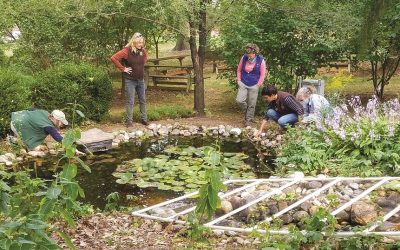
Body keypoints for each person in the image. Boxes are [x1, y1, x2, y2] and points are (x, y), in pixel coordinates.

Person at [111, 32, 149, 127]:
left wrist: (139, 66)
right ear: (134, 42)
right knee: (130, 101)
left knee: (143, 100)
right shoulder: (126, 51)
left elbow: (145, 58)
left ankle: (144, 119)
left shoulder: (142, 51)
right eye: (139, 43)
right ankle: (129, 122)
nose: (141, 45)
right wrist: (123, 68)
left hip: (140, 80)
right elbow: (114, 58)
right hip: (130, 80)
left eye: (142, 43)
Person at [236, 43, 267, 127]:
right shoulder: (244, 58)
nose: (249, 55)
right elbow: (239, 70)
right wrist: (239, 80)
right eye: (247, 53)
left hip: (254, 84)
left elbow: (262, 74)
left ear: (255, 53)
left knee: (252, 104)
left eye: (250, 54)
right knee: (239, 100)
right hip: (243, 82)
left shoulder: (261, 60)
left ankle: (248, 120)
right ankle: (247, 113)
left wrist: (259, 84)